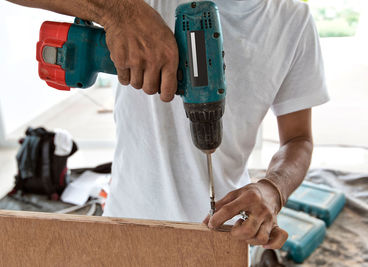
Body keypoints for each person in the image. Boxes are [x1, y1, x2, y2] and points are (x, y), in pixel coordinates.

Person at [7, 0, 328, 249]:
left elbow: (298, 139)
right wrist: (122, 13)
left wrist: (273, 189)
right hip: (127, 222)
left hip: (226, 235)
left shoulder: (294, 22)